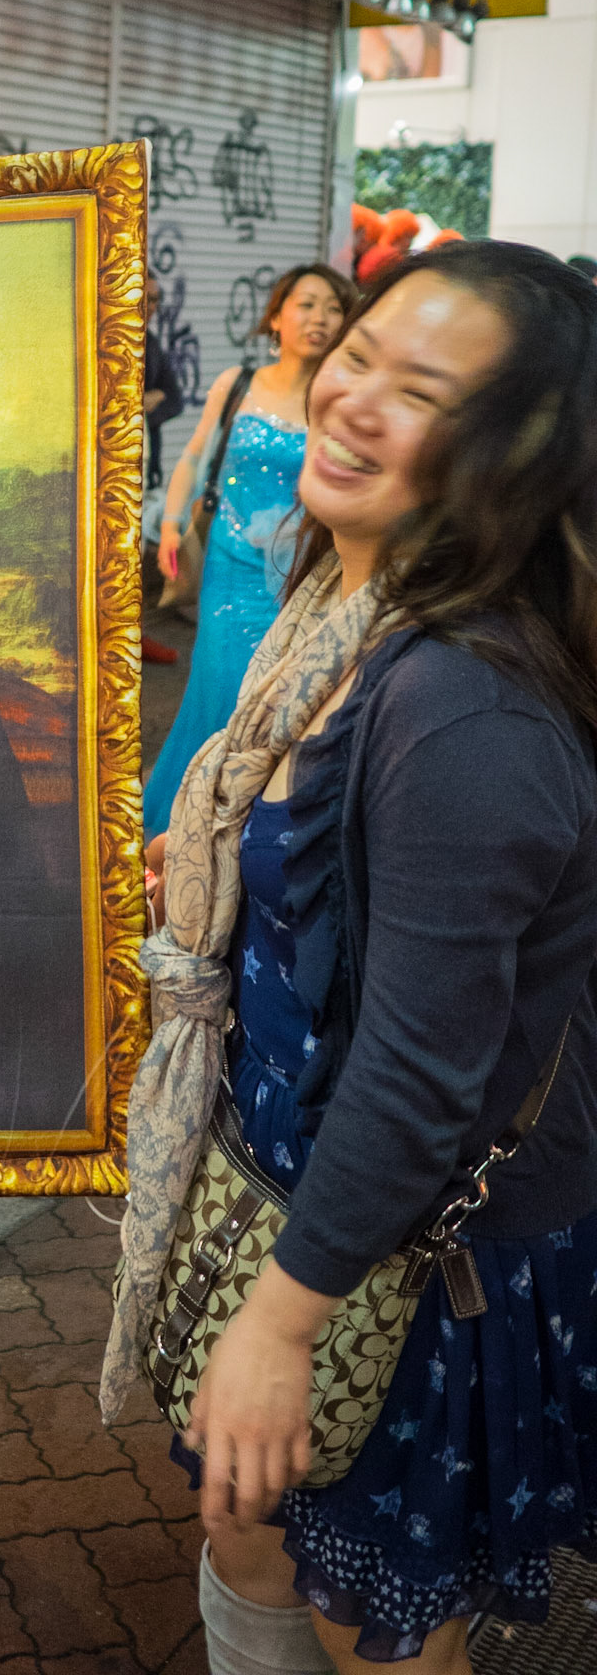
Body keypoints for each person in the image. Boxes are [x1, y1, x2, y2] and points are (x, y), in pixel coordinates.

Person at [115, 241, 597, 1673]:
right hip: (311, 1191)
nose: (355, 396)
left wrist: (282, 1320)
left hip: (404, 1247)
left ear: (511, 457)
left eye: (422, 391)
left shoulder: (460, 704)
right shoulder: (347, 613)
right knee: (257, 1537)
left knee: (380, 1630)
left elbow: (424, 1066)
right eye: (362, 355)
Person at [142, 263, 352, 838]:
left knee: (283, 705)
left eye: (333, 307)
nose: (320, 318)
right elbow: (193, 456)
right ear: (277, 315)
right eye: (307, 304)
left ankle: (249, 839)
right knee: (219, 690)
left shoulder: (341, 396)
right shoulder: (238, 383)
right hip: (230, 571)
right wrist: (172, 522)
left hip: (304, 575)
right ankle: (178, 832)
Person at [143, 273, 186, 669]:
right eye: (144, 296)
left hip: (142, 466)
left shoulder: (152, 347)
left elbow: (176, 399)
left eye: (156, 299)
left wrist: (152, 401)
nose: (150, 306)